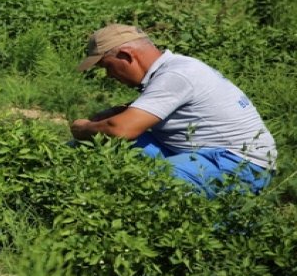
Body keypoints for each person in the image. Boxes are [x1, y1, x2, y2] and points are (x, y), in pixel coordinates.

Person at [70, 23, 277, 197]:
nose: (109, 75)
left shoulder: (177, 75)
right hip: (207, 155)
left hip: (238, 165)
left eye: (108, 66)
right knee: (101, 142)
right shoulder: (173, 69)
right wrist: (113, 115)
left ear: (126, 55)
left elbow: (121, 129)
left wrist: (84, 128)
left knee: (145, 182)